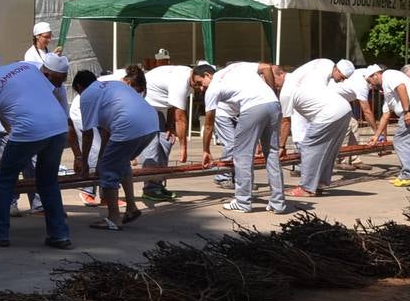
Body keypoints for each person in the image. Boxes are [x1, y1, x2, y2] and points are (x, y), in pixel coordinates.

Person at [0, 55, 74, 249]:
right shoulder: (27, 68)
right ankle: (59, 235)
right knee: (48, 181)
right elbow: (36, 98)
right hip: (58, 125)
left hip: (29, 129)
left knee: (3, 180)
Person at [191, 62, 287, 214]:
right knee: (272, 154)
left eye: (200, 83)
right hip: (273, 105)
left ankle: (243, 201)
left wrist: (206, 150)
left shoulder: (213, 88)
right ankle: (278, 202)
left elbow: (208, 124)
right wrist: (272, 92)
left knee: (242, 155)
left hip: (252, 107)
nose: (201, 88)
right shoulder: (236, 66)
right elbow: (267, 67)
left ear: (208, 75)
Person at [74, 69, 160, 231]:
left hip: (129, 126)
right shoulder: (112, 85)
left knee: (108, 170)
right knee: (121, 162)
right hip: (151, 123)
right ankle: (131, 207)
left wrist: (84, 162)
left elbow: (87, 134)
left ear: (79, 86)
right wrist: (100, 158)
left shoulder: (86, 95)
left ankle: (114, 218)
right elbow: (106, 132)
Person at [279, 63, 353, 197]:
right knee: (328, 149)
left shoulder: (286, 93)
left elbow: (285, 121)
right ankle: (319, 184)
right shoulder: (318, 70)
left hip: (329, 113)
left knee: (308, 147)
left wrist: (281, 146)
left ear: (280, 74)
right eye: (342, 77)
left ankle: (306, 188)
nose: (273, 84)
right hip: (345, 109)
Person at [366, 65, 410, 188]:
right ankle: (408, 173)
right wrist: (376, 136)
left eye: (369, 81)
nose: (371, 85)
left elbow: (402, 88)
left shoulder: (389, 75)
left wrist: (407, 112)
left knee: (400, 140)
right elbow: (385, 115)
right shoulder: (387, 90)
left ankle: (408, 174)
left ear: (375, 75)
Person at [139, 60, 193, 201]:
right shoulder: (181, 82)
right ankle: (149, 188)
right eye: (200, 85)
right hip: (144, 107)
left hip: (157, 110)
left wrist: (169, 125)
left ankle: (158, 184)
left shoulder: (190, 78)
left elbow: (173, 103)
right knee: (151, 149)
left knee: (165, 142)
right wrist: (183, 148)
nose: (202, 89)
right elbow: (180, 118)